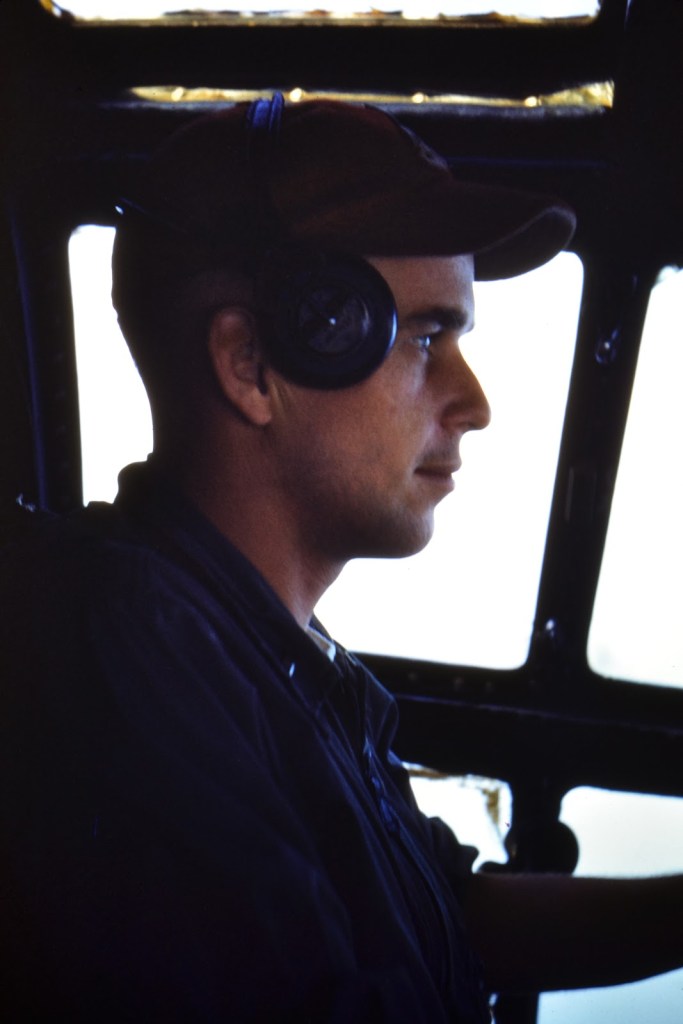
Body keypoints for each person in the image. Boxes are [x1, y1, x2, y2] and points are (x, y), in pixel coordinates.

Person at [0, 94, 681, 1023]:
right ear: (250, 365)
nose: (473, 404)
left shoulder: (268, 649)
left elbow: (445, 916)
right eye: (426, 337)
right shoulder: (131, 657)